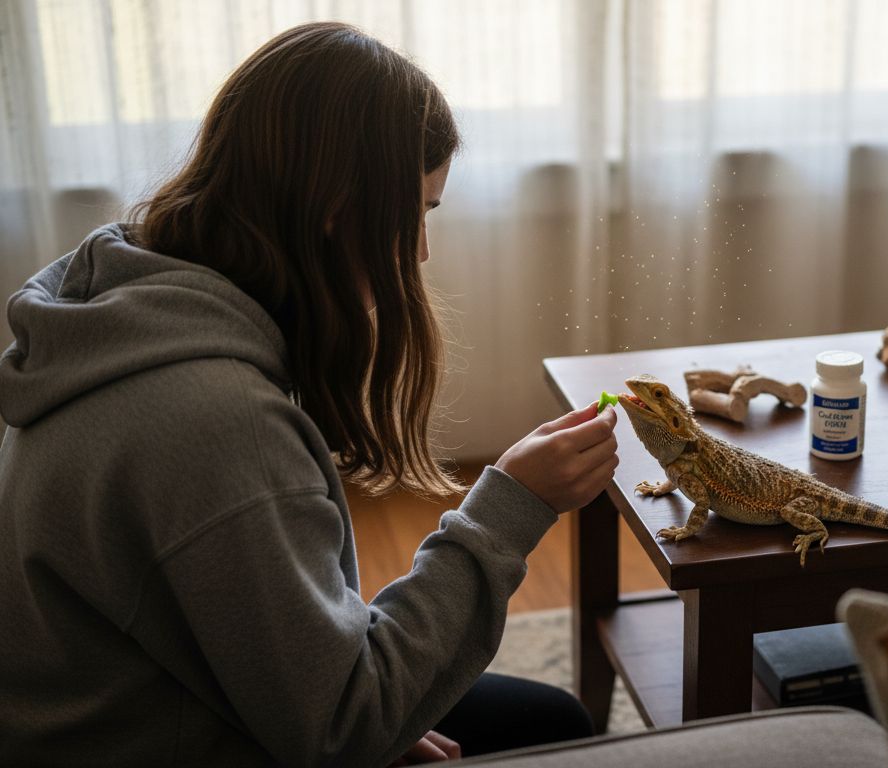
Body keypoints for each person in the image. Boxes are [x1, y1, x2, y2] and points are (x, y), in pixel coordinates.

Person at [0, 21, 618, 766]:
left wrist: (351, 708)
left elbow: (241, 616)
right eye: (417, 212)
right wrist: (513, 505)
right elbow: (343, 728)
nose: (421, 250)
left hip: (156, 706)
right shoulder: (213, 421)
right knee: (551, 731)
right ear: (336, 204)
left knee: (539, 713)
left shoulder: (120, 310)